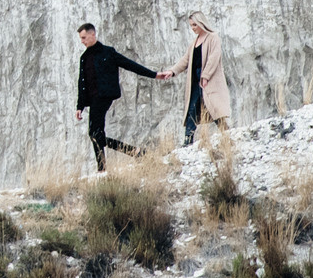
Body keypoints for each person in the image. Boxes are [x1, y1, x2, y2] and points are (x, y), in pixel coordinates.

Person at [76, 22, 170, 172]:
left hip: (104, 96)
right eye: (81, 38)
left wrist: (154, 75)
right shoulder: (84, 57)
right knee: (96, 134)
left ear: (93, 34)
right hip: (92, 99)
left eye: (84, 38)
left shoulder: (107, 52)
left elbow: (129, 64)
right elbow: (82, 83)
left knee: (94, 133)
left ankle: (103, 168)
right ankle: (134, 153)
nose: (82, 41)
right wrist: (79, 106)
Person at [167, 12, 232, 146]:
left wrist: (206, 76)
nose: (193, 28)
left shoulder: (213, 37)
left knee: (214, 106)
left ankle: (226, 133)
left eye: (195, 25)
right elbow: (185, 60)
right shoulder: (194, 43)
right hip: (195, 79)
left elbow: (214, 57)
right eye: (191, 25)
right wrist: (172, 71)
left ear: (201, 23)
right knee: (192, 107)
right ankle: (188, 140)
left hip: (209, 79)